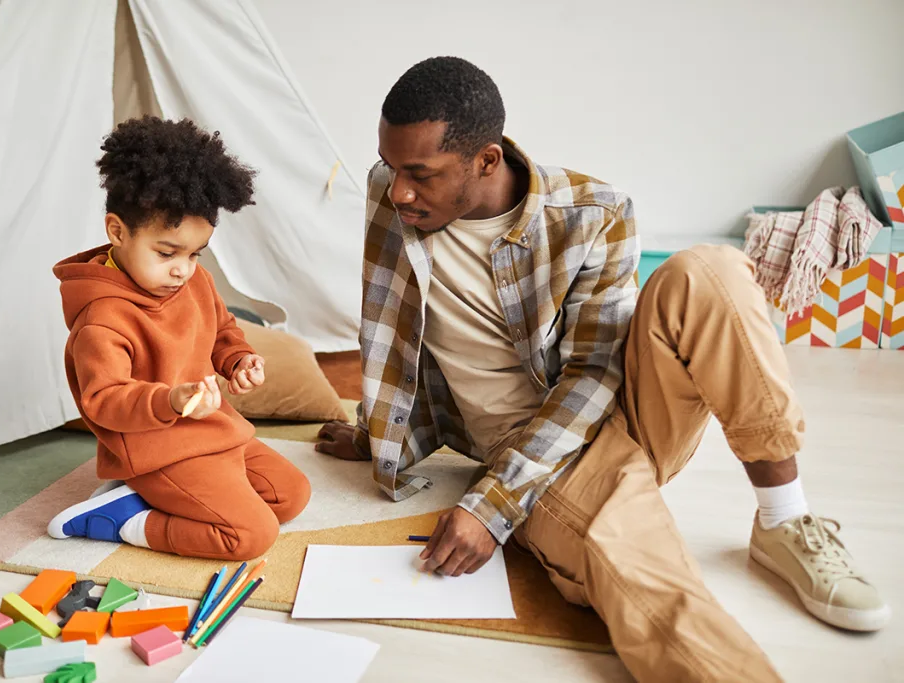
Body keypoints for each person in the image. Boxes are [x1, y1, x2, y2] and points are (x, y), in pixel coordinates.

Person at [315, 56, 889, 681]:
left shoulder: (595, 212)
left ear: (486, 160)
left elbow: (593, 372)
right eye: (390, 166)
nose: (397, 190)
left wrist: (491, 504)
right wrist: (382, 432)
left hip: (619, 403)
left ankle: (784, 517)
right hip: (533, 446)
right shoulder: (390, 194)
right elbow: (392, 330)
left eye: (419, 174)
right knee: (655, 591)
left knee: (710, 272)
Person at [48, 116, 310, 560]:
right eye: (167, 253)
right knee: (251, 536)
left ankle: (148, 498)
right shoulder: (102, 319)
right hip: (157, 451)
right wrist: (169, 400)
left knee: (292, 495)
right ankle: (128, 520)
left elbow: (222, 329)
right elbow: (104, 399)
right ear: (117, 232)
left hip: (214, 431)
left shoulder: (194, 282)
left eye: (195, 254)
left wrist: (238, 359)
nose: (183, 269)